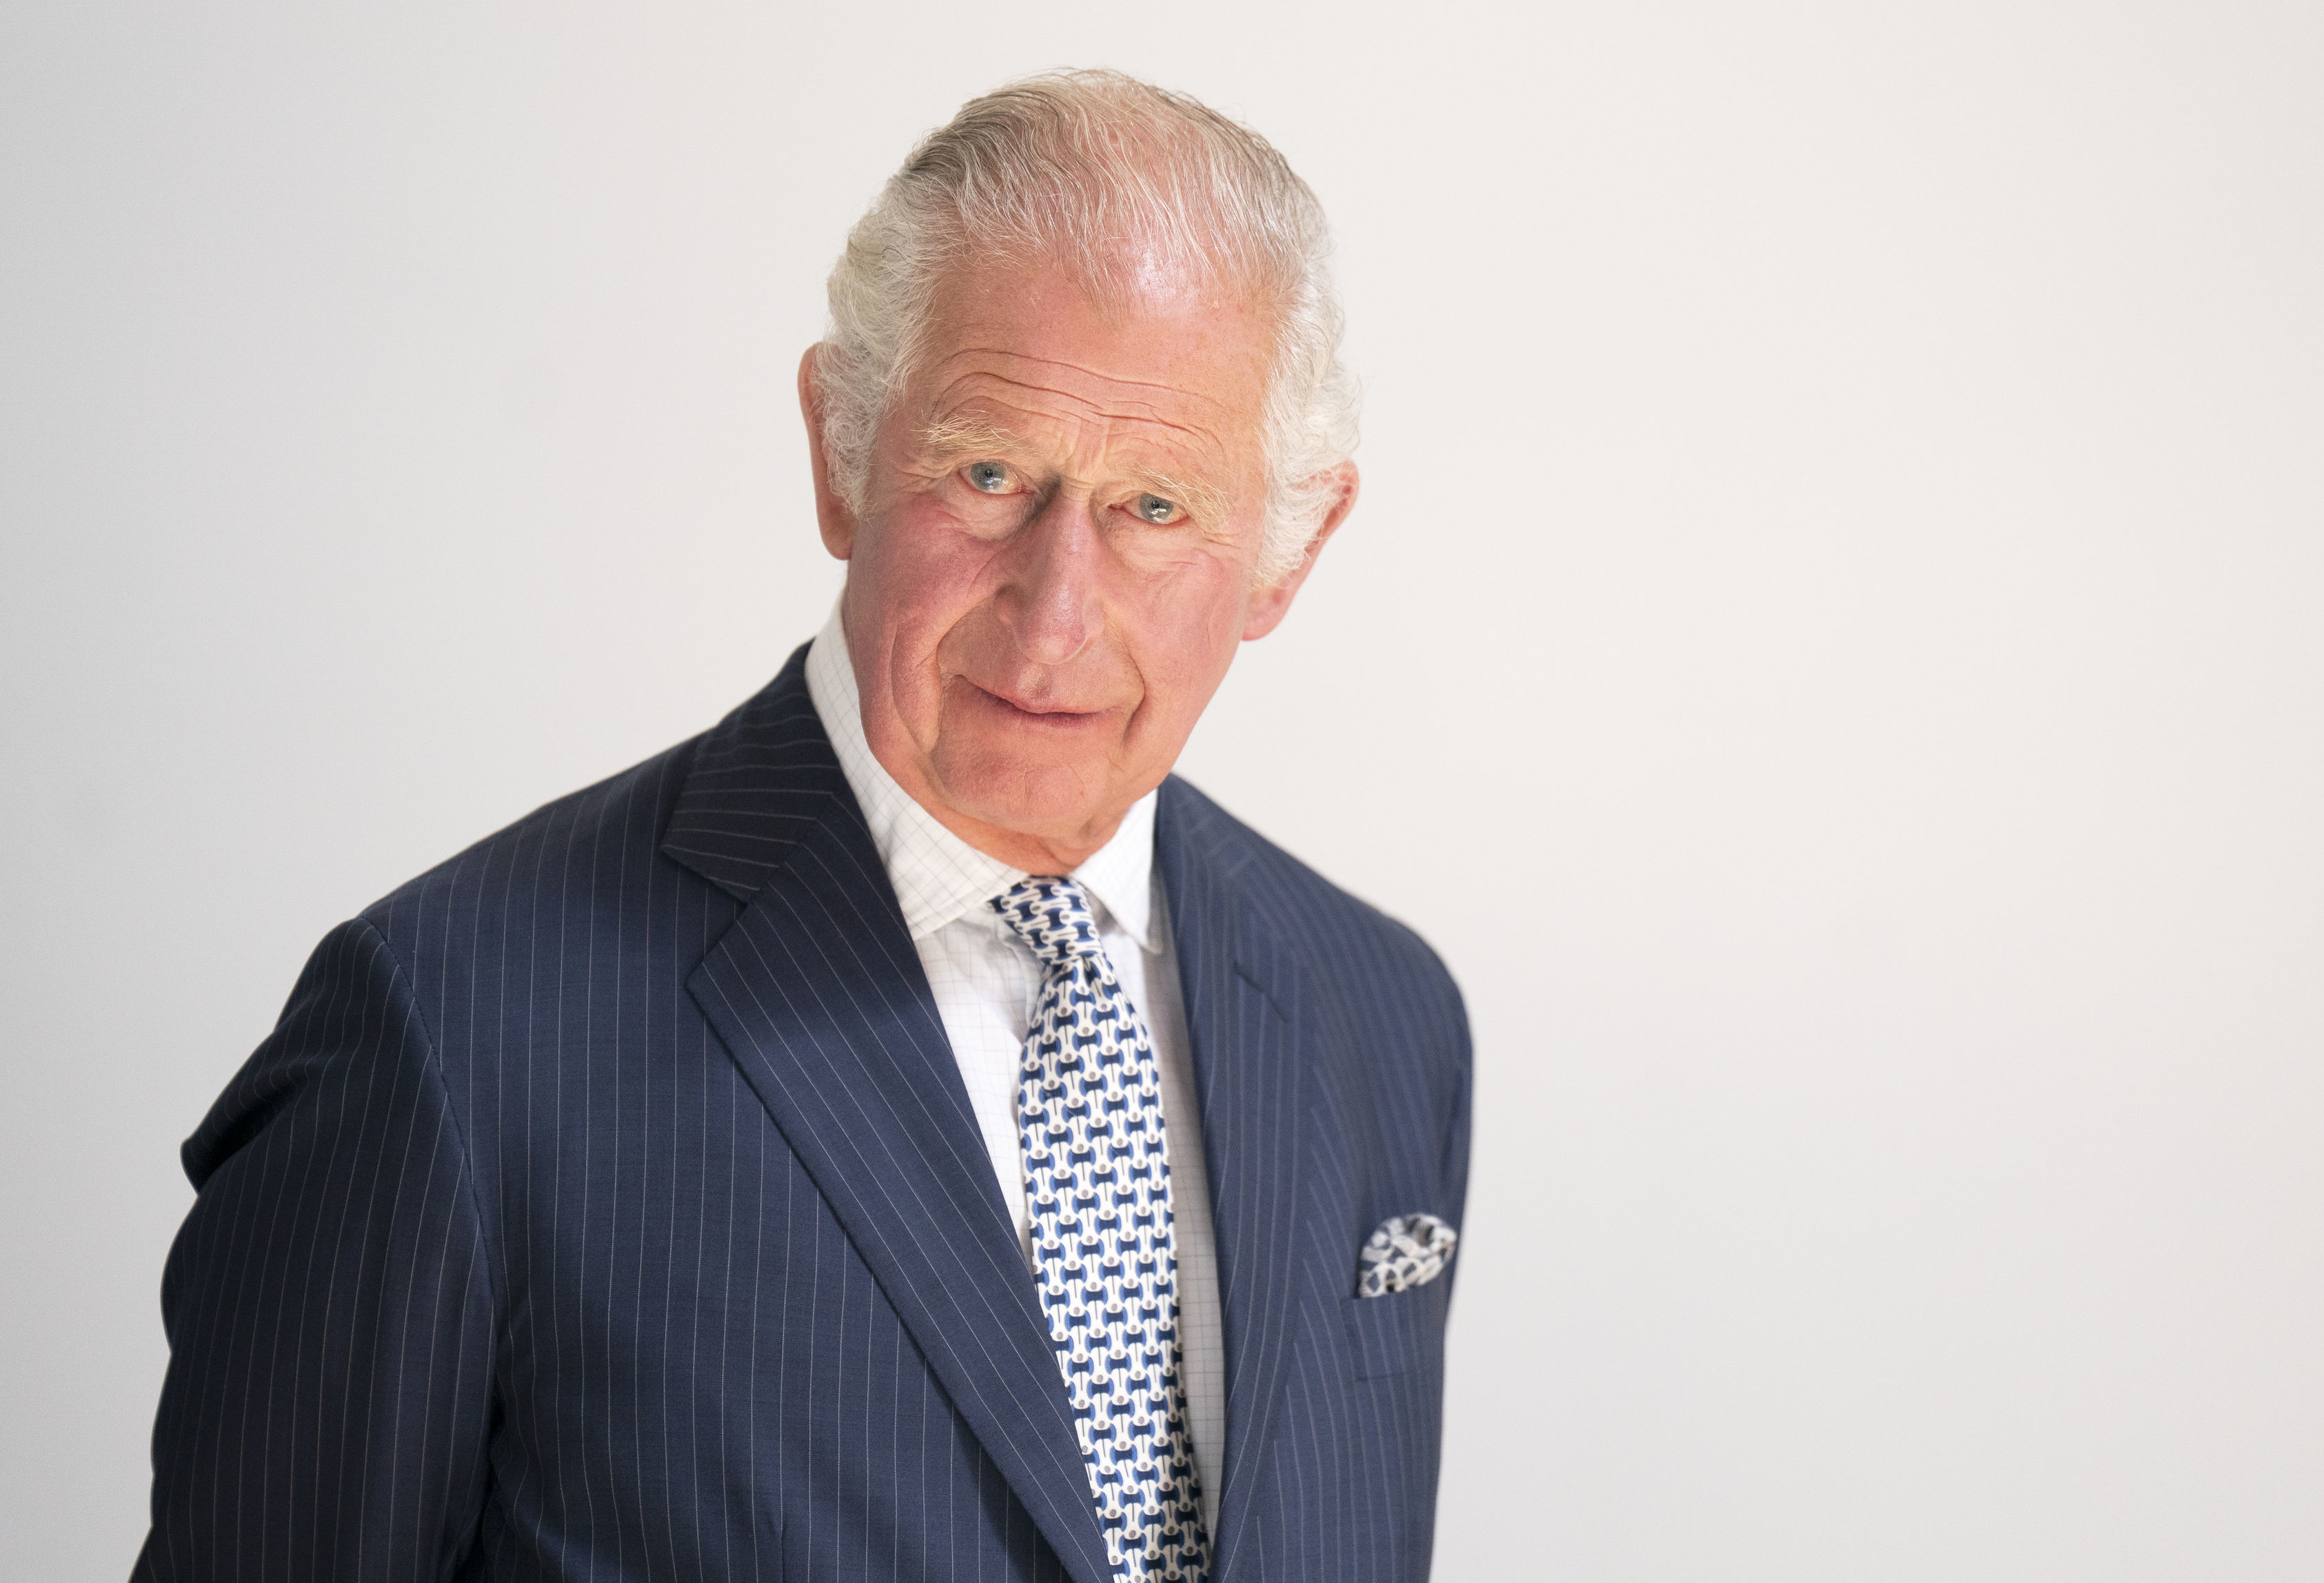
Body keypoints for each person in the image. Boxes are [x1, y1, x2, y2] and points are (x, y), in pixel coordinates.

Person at [135, 70, 1471, 1583]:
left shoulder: (1382, 1016)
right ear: (841, 448)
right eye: (987, 474)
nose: (1054, 620)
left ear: (1288, 552)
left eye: (1155, 508)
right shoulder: (453, 1033)